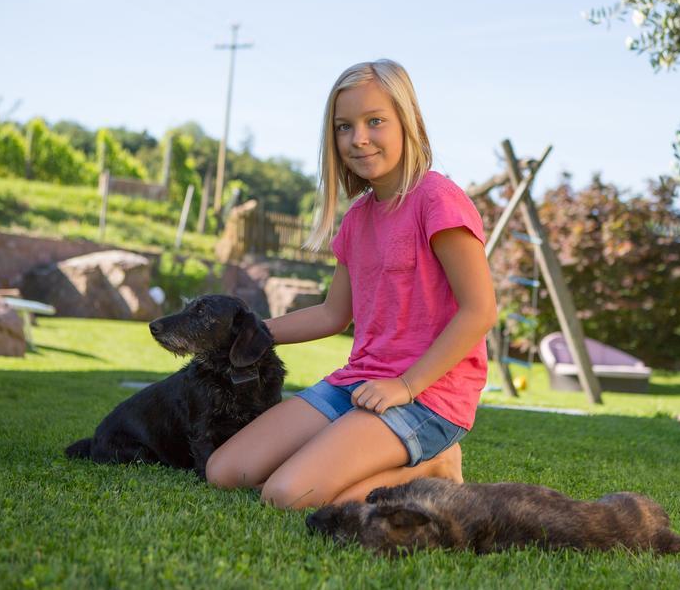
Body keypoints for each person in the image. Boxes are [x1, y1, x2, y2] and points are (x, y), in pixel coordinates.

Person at [205, 59, 496, 509]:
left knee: (286, 494)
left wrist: (405, 385)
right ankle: (352, 449)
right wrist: (251, 333)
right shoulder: (358, 217)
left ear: (408, 123)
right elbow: (332, 314)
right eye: (344, 127)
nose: (358, 138)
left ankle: (434, 464)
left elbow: (480, 311)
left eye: (374, 121)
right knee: (225, 472)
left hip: (427, 397)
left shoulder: (437, 200)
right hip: (358, 383)